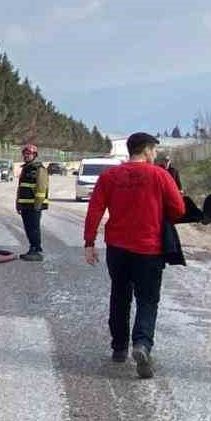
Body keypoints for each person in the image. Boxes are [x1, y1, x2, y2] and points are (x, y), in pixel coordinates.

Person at [83, 133, 185, 379]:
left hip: (117, 248)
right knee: (147, 300)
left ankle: (119, 348)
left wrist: (89, 243)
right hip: (149, 249)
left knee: (120, 294)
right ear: (147, 150)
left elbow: (95, 208)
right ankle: (141, 344)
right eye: (154, 151)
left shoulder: (110, 176)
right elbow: (179, 209)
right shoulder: (159, 175)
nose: (155, 155)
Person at [15, 144, 49, 261]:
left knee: (34, 228)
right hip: (25, 205)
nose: (26, 156)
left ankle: (36, 249)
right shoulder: (26, 168)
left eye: (28, 154)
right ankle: (32, 248)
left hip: (34, 206)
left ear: (34, 155)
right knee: (28, 228)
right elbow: (21, 188)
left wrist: (38, 205)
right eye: (24, 154)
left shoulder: (39, 169)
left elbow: (41, 188)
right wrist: (18, 204)